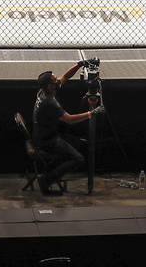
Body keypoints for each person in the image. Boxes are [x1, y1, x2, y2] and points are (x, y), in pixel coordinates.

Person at [31, 62, 100, 195]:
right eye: (54, 80)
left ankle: (50, 172)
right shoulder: (50, 102)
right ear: (50, 86)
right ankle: (47, 180)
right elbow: (69, 120)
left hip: (42, 134)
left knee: (79, 143)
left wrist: (79, 65)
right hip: (47, 140)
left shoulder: (43, 91)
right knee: (78, 159)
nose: (58, 80)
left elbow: (65, 77)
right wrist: (91, 113)